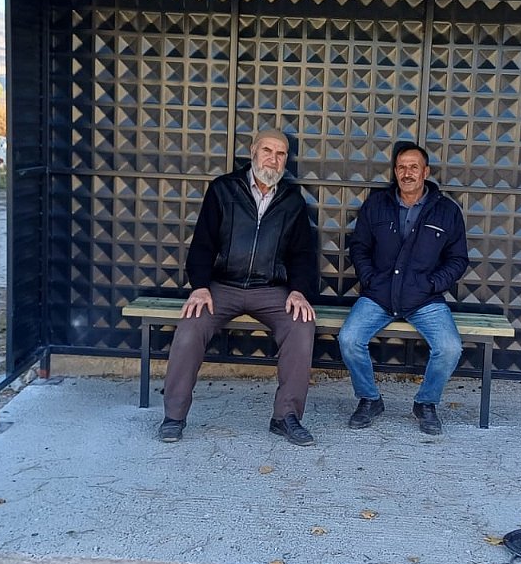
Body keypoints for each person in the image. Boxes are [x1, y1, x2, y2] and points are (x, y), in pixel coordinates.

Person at [157, 129, 319, 446]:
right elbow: (202, 244)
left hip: (269, 288)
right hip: (222, 286)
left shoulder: (292, 200)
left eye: (281, 154)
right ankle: (173, 416)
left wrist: (299, 290)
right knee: (191, 325)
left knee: (301, 324)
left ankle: (285, 416)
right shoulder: (223, 189)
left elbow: (302, 253)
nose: (273, 159)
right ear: (253, 151)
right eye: (267, 150)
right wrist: (200, 286)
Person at [338, 141, 470, 435]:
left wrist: (432, 283)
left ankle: (426, 403)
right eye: (401, 167)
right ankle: (369, 399)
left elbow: (458, 259)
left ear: (426, 172)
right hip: (379, 295)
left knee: (449, 348)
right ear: (395, 171)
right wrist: (370, 278)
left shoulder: (447, 211)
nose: (407, 173)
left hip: (424, 298)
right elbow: (359, 247)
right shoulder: (376, 204)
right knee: (349, 339)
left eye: (413, 167)